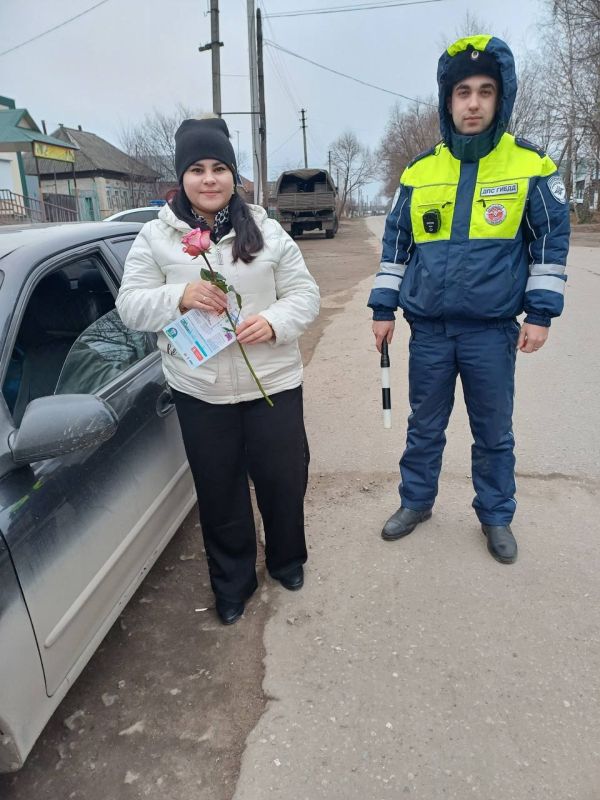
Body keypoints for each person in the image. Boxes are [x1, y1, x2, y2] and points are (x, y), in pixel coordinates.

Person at [368, 35, 570, 564]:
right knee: (424, 427)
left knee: (493, 432)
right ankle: (416, 502)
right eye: (462, 92)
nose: (474, 102)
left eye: (485, 91)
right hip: (430, 330)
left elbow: (550, 240)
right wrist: (383, 309)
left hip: (491, 330)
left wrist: (541, 314)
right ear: (447, 100)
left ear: (501, 99)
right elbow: (396, 244)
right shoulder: (419, 171)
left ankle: (496, 516)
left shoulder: (531, 165)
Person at [116, 117, 319, 624]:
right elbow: (130, 306)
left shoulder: (267, 231)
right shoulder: (155, 238)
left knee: (283, 479)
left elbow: (305, 295)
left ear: (234, 176)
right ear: (181, 178)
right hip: (200, 390)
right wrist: (178, 296)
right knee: (220, 489)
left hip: (271, 382)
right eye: (197, 169)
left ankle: (287, 559)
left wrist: (273, 322)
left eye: (220, 168)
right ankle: (232, 583)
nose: (209, 179)